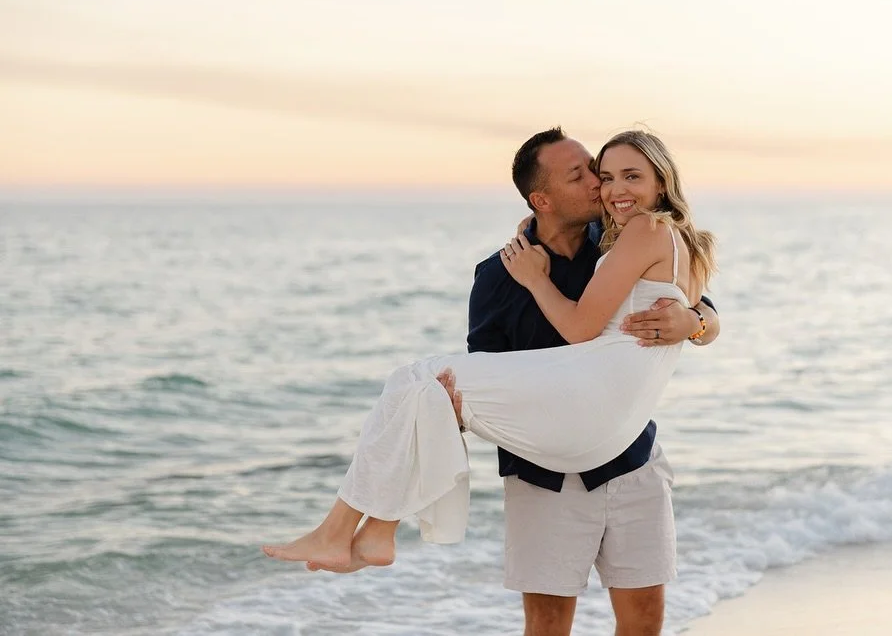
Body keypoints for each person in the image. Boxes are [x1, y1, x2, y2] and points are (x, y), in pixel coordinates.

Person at [261, 131, 719, 623]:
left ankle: (360, 531)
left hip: (628, 454)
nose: (600, 185)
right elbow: (488, 366)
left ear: (658, 181)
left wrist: (696, 323)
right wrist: (456, 408)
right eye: (589, 175)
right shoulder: (499, 276)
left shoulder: (618, 238)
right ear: (541, 200)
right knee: (422, 388)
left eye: (603, 172)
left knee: (645, 619)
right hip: (546, 469)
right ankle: (370, 531)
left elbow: (687, 300)